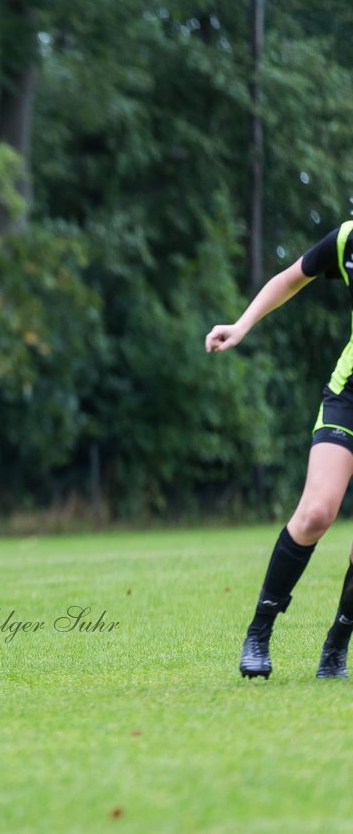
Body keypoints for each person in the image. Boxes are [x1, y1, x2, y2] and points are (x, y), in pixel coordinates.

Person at [206, 220, 353, 679]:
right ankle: (259, 632)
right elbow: (291, 277)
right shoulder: (348, 239)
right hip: (349, 396)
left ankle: (336, 647)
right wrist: (242, 325)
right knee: (315, 514)